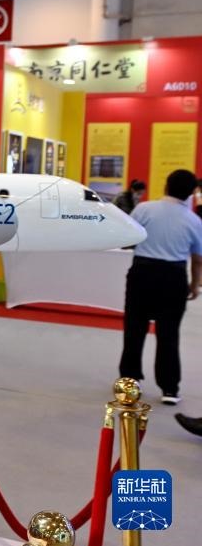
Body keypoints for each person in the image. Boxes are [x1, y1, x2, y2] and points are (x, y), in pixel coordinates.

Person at [119, 169, 202, 405]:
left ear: (166, 186)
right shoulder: (194, 220)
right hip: (173, 277)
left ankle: (129, 383)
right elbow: (197, 259)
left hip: (142, 273)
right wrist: (195, 285)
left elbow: (128, 238)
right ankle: (169, 388)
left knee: (134, 330)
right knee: (169, 334)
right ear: (191, 193)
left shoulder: (144, 209)